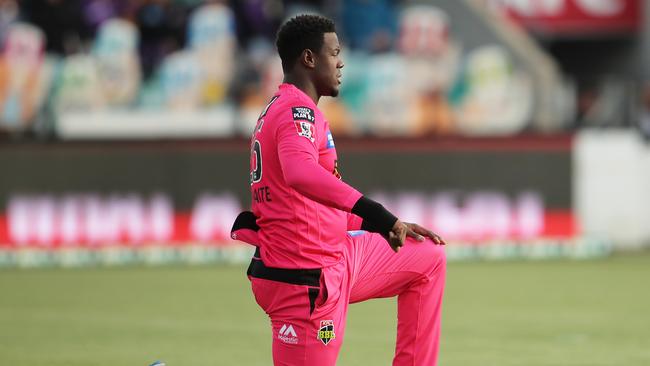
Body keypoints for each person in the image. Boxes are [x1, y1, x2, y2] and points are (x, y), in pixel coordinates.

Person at [230, 14, 446, 366]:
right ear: (309, 59)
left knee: (426, 258)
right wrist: (376, 212)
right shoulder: (297, 111)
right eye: (334, 53)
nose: (341, 61)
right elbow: (301, 174)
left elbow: (315, 198)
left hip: (334, 257)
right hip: (304, 277)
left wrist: (384, 224)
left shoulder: (290, 109)